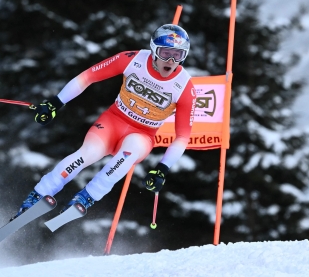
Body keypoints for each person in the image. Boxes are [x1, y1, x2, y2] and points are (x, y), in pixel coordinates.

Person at [12, 24, 197, 220]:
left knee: (128, 154)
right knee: (87, 154)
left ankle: (85, 198)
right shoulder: (133, 59)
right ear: (153, 50)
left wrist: (162, 168)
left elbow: (183, 136)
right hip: (113, 121)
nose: (170, 60)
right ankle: (38, 196)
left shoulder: (184, 86)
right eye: (165, 53)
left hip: (143, 134)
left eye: (177, 55)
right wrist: (55, 103)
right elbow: (88, 76)